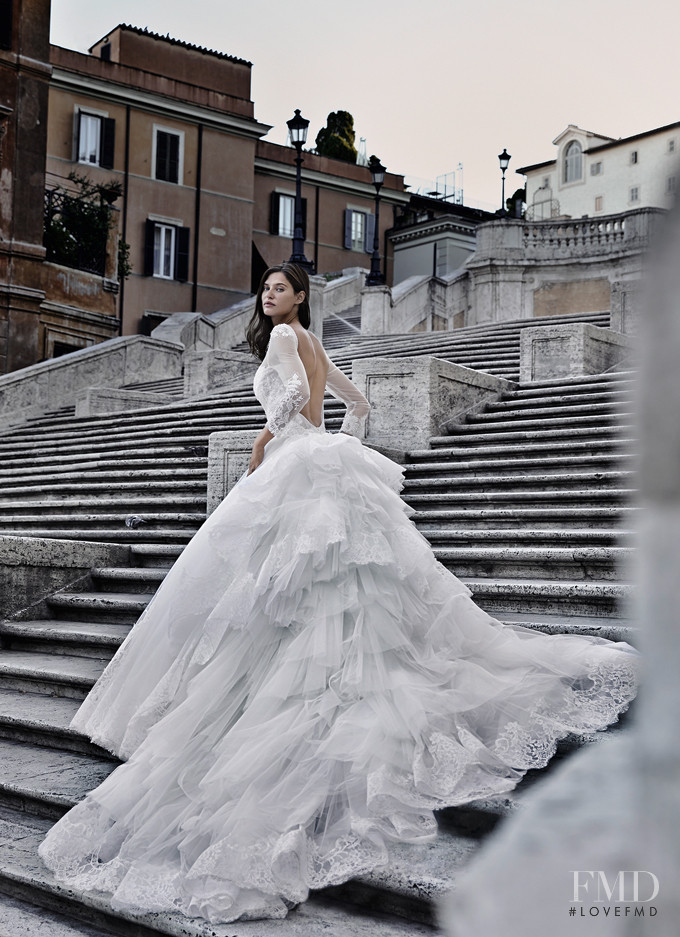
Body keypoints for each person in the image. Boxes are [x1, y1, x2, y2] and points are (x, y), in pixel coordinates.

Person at [39, 263, 638, 925]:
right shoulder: (317, 341)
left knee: (280, 592)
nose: (269, 296)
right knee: (329, 589)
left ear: (299, 297)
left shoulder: (285, 340)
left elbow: (292, 396)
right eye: (264, 288)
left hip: (297, 461)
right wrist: (336, 446)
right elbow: (360, 406)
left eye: (280, 289)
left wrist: (268, 439)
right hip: (324, 459)